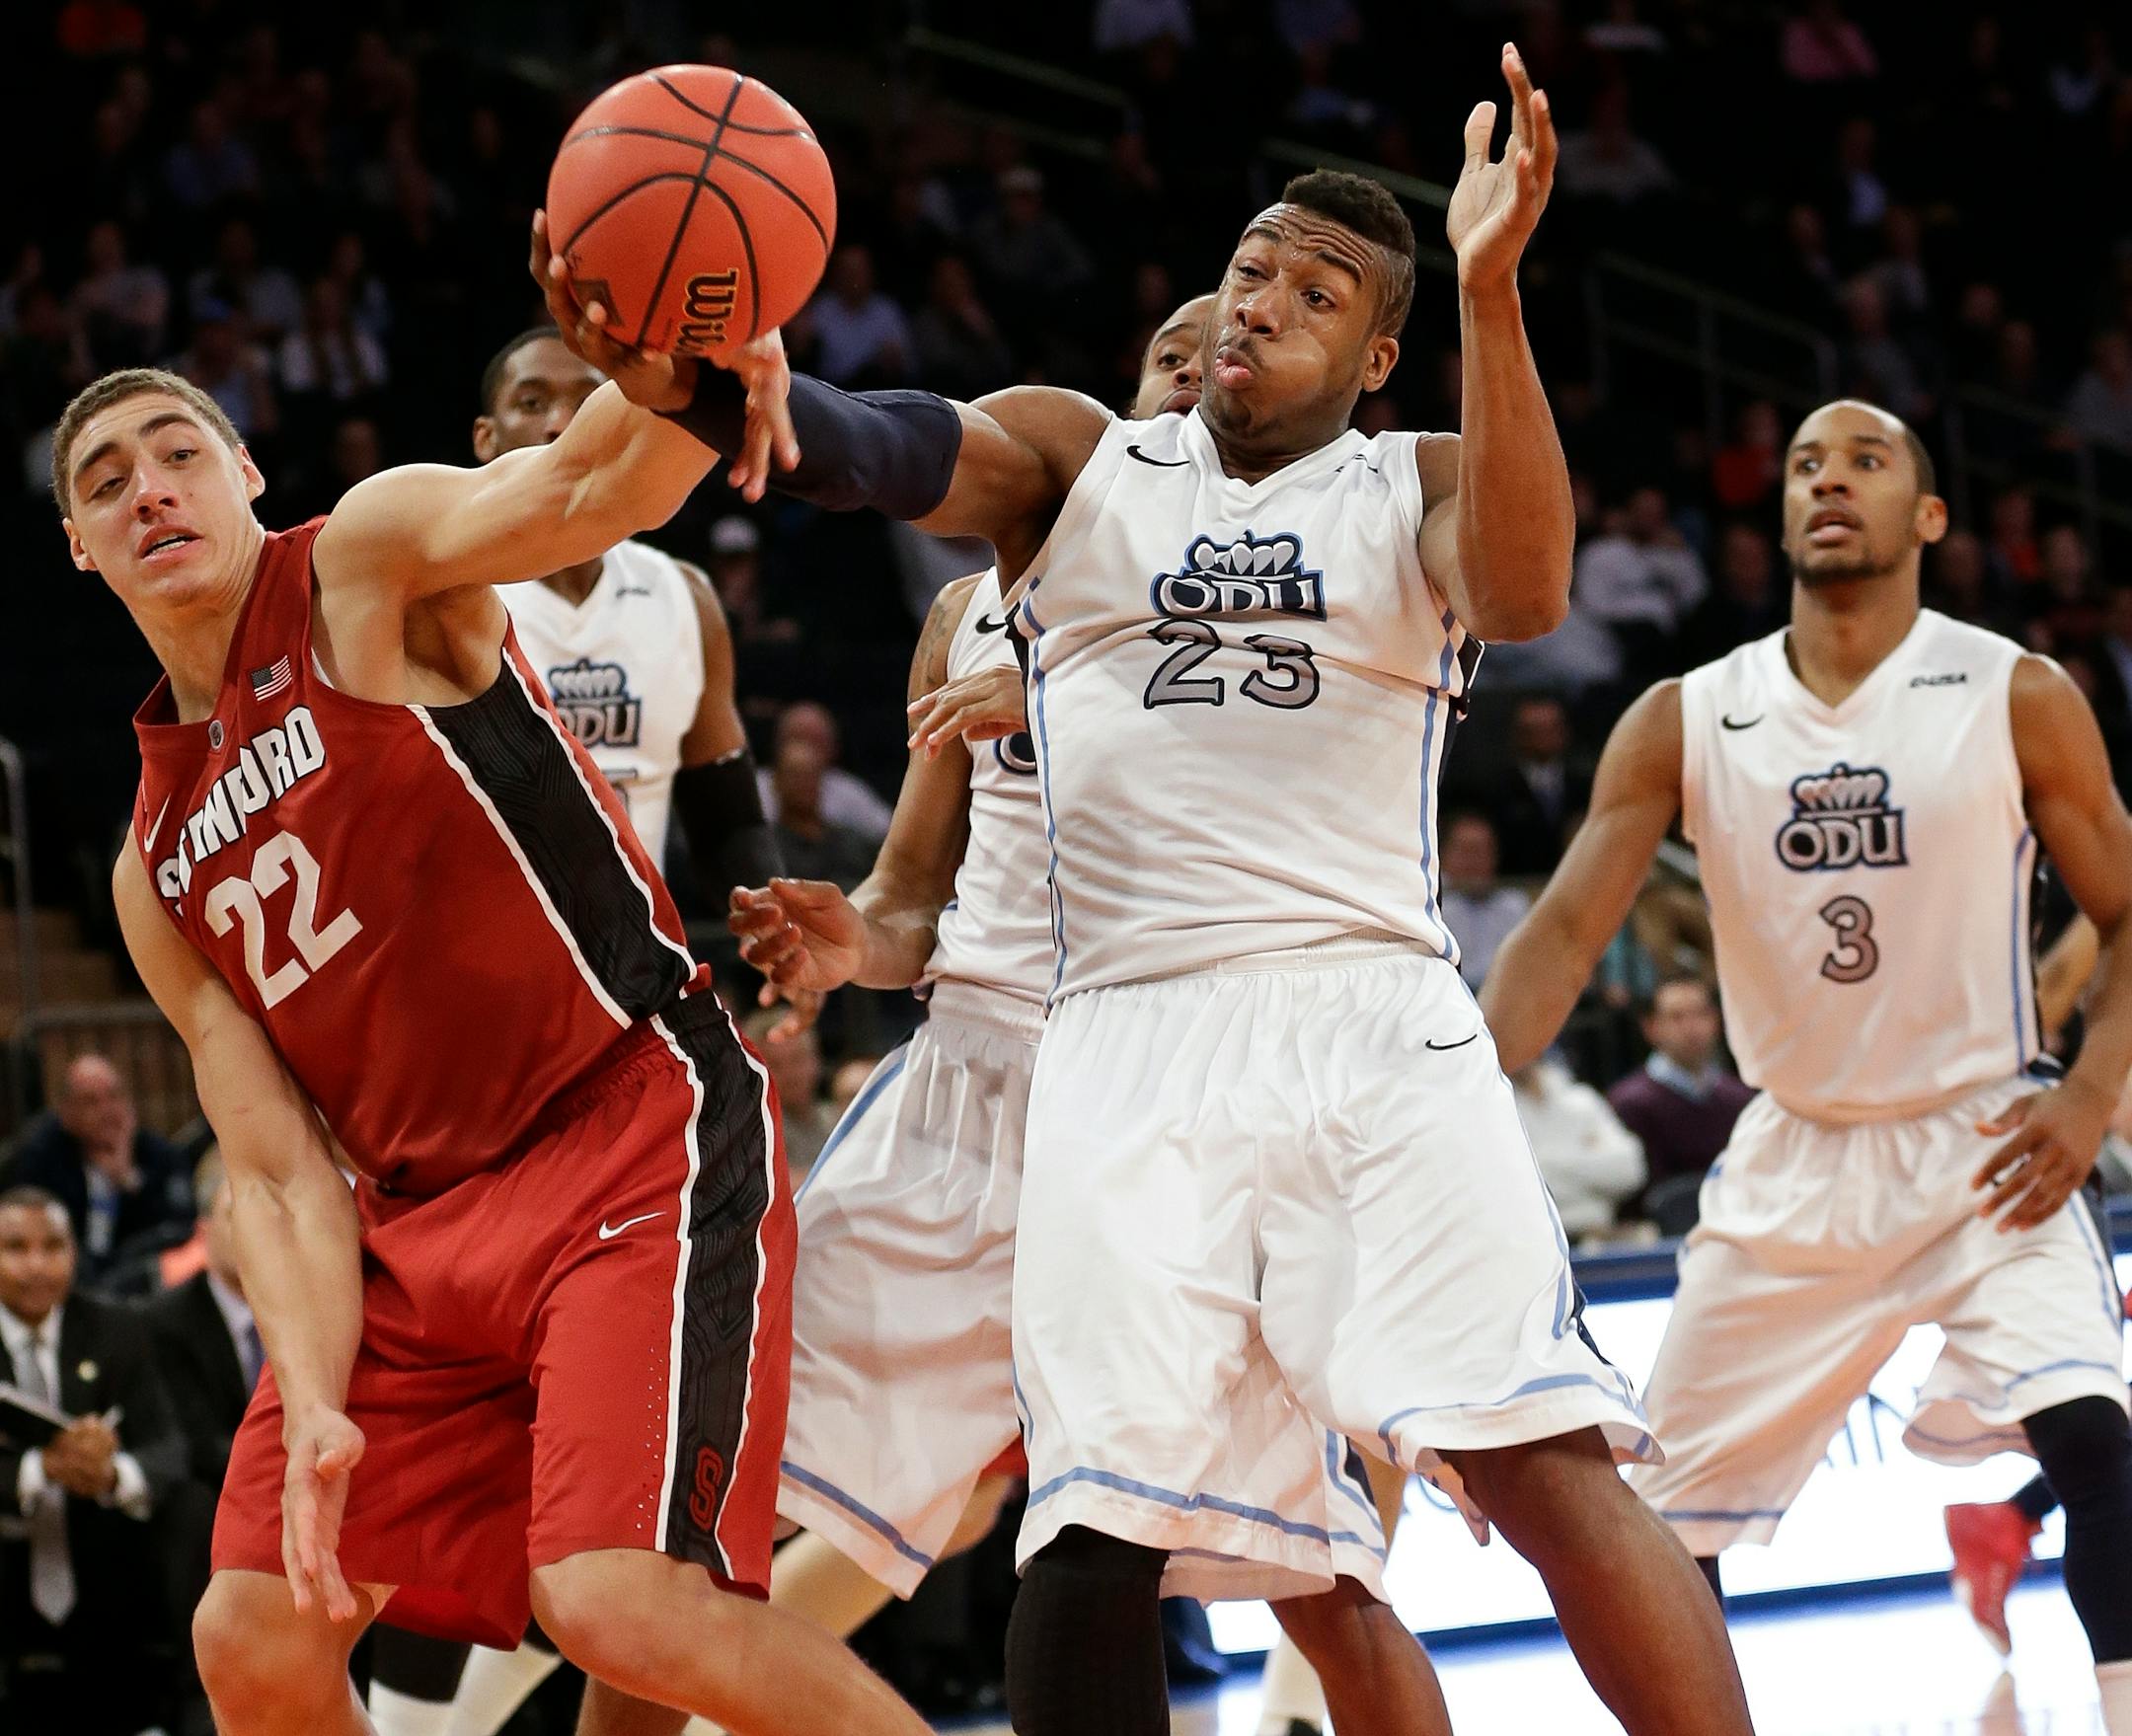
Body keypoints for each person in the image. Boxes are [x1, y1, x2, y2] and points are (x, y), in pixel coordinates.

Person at [569, 43, 1750, 1734]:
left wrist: (1495, 290)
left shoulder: (1407, 477)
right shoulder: (1080, 463)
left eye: (1316, 287)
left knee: (1540, 1459)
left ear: (1377, 352)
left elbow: (1529, 583)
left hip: (1369, 1017)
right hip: (1121, 1040)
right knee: (1095, 1515)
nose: (1265, 297)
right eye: (1250, 265)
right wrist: (711, 383)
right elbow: (891, 446)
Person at [61, 341, 930, 1735]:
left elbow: (590, 483)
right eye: (106, 485)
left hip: (626, 1121)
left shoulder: (362, 563)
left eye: (177, 453)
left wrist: (693, 345)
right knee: (254, 1633)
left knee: (618, 1603)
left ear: (245, 472)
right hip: (420, 1223)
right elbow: (278, 1172)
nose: (148, 491)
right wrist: (319, 1391)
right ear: (77, 547)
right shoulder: (152, 863)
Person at [731, 298, 1451, 1736]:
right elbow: (914, 894)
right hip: (970, 1087)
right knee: (716, 1496)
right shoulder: (964, 610)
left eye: (1220, 357)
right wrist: (851, 944)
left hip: (1162, 1096)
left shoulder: (1284, 591)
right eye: (1165, 358)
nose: (1195, 374)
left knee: (1316, 1570)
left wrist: (1070, 676)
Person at [1482, 399, 2132, 1730]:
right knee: (1658, 1530)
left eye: (1868, 460)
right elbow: (1555, 938)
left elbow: (2129, 913)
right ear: (1780, 511)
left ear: (1928, 516)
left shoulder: (2013, 689)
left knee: (2098, 1440)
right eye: (1805, 464)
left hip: (1986, 1138)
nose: (1831, 480)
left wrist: (2087, 1094)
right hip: (1793, 1149)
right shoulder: (1686, 714)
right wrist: (1445, 1103)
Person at [0, 1185, 188, 1736]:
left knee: (188, 1508)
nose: (37, 1265)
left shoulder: (118, 1328)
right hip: (10, 1564)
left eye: (53, 1245)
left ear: (76, 1252)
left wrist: (112, 1475)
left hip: (105, 1570)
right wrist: (42, 1470)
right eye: (15, 1248)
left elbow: (166, 1446)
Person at [142, 1150, 261, 1735]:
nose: (260, 1230)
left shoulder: (323, 1305)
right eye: (240, 1212)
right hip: (224, 1507)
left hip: (311, 1492)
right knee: (189, 1507)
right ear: (205, 1231)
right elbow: (191, 1442)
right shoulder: (162, 1322)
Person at [4, 1051, 192, 1277]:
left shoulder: (156, 1154)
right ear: (67, 1113)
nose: (107, 1110)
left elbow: (181, 1226)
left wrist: (129, 1180)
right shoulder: (40, 1157)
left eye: (114, 1096)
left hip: (143, 1279)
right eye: (91, 1101)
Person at [1605, 974, 1754, 1217]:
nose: (1691, 1027)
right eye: (1677, 1017)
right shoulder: (1629, 1103)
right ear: (1651, 1028)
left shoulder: (1740, 1099)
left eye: (1701, 1014)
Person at [1513, 1055, 1648, 1241]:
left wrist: (1545, 1162)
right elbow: (1515, 1190)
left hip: (1602, 1236)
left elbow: (1630, 1170)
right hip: (1532, 1242)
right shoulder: (1492, 1110)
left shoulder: (1583, 1100)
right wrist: (1587, 1157)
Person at [1438, 808, 1529, 988]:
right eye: (1465, 851)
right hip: (1450, 998)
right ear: (1444, 855)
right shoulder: (1433, 907)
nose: (1473, 861)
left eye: (1480, 851)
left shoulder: (1514, 905)